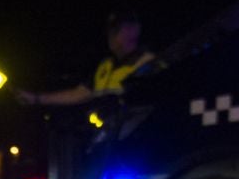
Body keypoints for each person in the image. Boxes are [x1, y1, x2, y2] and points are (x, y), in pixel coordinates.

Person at [17, 11, 158, 108]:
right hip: (107, 137)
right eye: (110, 31)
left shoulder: (148, 61)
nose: (111, 36)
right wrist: (36, 98)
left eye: (117, 29)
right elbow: (79, 93)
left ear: (135, 30)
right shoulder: (106, 66)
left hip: (136, 138)